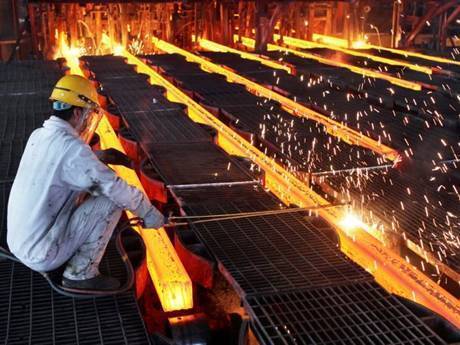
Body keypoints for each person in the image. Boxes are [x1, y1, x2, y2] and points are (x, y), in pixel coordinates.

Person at [7, 75, 165, 291]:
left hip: (19, 241)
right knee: (111, 201)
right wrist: (149, 213)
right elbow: (115, 188)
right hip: (41, 252)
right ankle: (81, 274)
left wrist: (98, 155)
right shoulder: (72, 151)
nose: (87, 121)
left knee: (92, 192)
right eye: (88, 114)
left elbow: (58, 164)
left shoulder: (40, 135)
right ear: (78, 112)